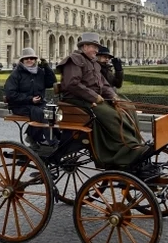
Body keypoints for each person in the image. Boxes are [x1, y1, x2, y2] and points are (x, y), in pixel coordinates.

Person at [59, 33, 149, 168]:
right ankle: (125, 151)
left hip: (90, 98)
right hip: (76, 100)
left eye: (97, 47)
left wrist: (113, 96)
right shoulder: (74, 60)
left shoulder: (93, 63)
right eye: (94, 47)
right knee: (111, 115)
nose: (96, 50)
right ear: (84, 46)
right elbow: (72, 84)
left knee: (127, 107)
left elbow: (104, 84)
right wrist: (93, 96)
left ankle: (134, 143)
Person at [4, 48, 57, 149]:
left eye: (32, 58)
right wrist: (30, 99)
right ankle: (52, 142)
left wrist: (47, 67)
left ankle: (37, 136)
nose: (29, 60)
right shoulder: (16, 74)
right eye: (26, 58)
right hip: (20, 105)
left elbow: (51, 83)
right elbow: (10, 94)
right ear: (22, 60)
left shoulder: (39, 72)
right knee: (41, 113)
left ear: (35, 60)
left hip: (38, 104)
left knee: (53, 111)